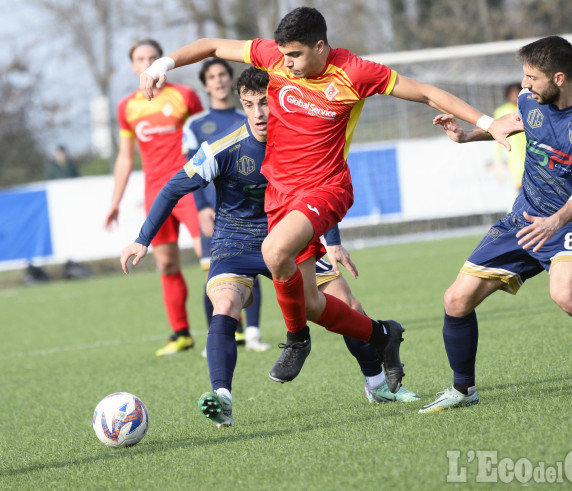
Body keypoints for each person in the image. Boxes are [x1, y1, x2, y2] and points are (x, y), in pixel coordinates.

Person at [139, 7, 510, 394]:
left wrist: (487, 123)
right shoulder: (276, 59)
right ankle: (383, 335)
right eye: (283, 55)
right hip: (280, 195)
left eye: (296, 55)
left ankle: (297, 341)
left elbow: (428, 92)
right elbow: (212, 44)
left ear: (320, 47)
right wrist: (163, 64)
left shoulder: (355, 72)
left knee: (274, 249)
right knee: (312, 304)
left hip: (325, 188)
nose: (287, 64)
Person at [121, 67, 421, 427]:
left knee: (346, 302)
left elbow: (320, 193)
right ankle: (223, 397)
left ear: (279, 99)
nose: (258, 113)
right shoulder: (223, 149)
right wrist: (142, 239)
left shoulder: (301, 142)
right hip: (236, 240)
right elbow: (172, 188)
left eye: (264, 102)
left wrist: (335, 242)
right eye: (248, 105)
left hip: (290, 237)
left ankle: (378, 384)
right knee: (226, 302)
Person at [420, 35, 572, 414]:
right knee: (456, 299)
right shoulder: (529, 100)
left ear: (559, 78)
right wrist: (465, 136)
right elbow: (508, 124)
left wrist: (555, 221)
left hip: (570, 222)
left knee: (566, 294)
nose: (525, 84)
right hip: (523, 217)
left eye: (532, 77)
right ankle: (463, 389)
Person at [105, 39, 204, 356]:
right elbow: (124, 158)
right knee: (166, 264)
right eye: (140, 58)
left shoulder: (184, 96)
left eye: (152, 57)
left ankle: (233, 327)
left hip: (190, 186)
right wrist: (115, 201)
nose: (147, 63)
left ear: (160, 62)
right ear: (133, 66)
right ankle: (181, 334)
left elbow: (206, 136)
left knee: (208, 253)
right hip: (156, 192)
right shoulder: (126, 108)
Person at [182, 57, 268, 352]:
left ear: (232, 82)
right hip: (215, 211)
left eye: (223, 75)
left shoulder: (248, 115)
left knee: (253, 269)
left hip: (252, 210)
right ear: (205, 84)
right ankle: (216, 336)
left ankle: (253, 333)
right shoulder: (196, 125)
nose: (218, 80)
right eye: (212, 76)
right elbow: (192, 171)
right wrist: (203, 208)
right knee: (214, 275)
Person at [493, 83, 526, 195]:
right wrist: (498, 161)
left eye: (517, 93)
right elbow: (496, 137)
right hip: (515, 157)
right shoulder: (501, 112)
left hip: (532, 152)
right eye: (512, 93)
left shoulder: (528, 108)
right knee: (521, 190)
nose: (514, 96)